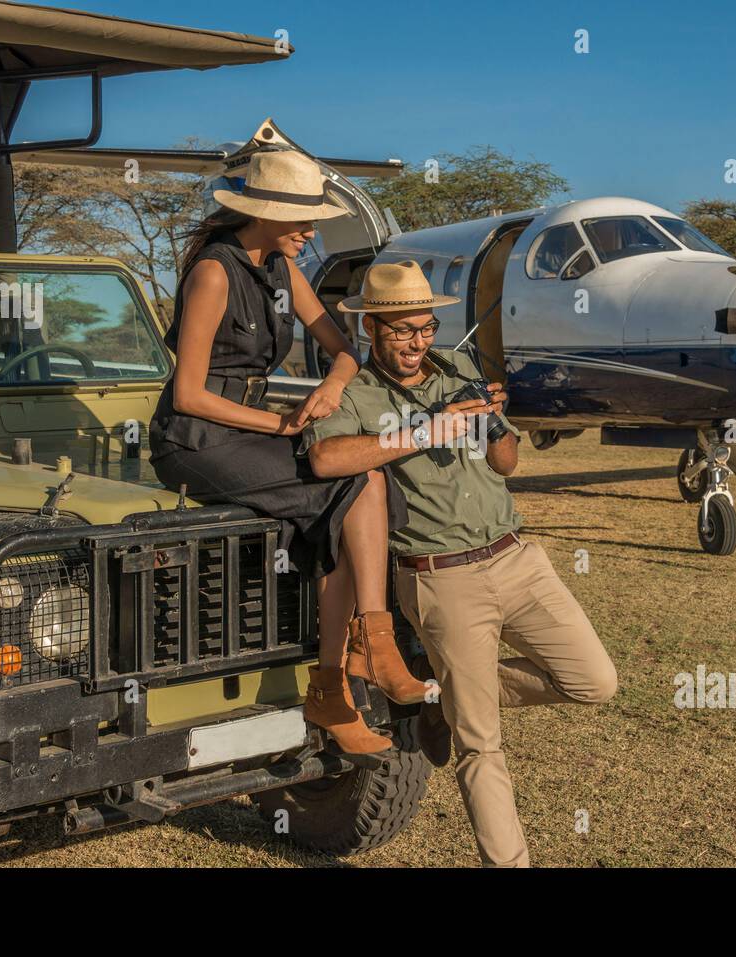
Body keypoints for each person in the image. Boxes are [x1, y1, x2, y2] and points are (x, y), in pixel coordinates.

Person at [300, 261, 618, 866]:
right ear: (371, 329)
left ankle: (438, 700)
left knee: (594, 681)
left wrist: (494, 418)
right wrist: (427, 430)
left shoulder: (462, 370)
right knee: (481, 743)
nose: (417, 343)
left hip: (518, 559)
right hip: (442, 578)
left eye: (425, 329)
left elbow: (506, 464)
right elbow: (326, 459)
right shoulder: (358, 393)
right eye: (401, 331)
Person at [149, 151, 431, 761]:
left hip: (261, 428)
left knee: (362, 481)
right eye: (302, 221)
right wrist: (281, 421)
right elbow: (189, 394)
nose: (312, 232)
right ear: (265, 214)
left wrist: (331, 385)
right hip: (195, 438)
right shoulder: (214, 274)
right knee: (349, 487)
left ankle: (361, 656)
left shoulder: (284, 268)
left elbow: (345, 347)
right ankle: (347, 671)